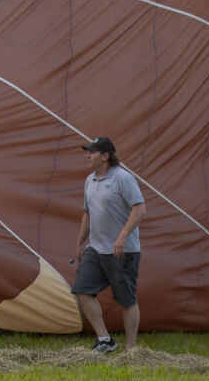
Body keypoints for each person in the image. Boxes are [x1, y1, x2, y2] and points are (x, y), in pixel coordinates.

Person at [67, 136, 146, 354]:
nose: (88, 156)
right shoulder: (89, 180)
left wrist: (122, 236)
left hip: (123, 251)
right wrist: (80, 242)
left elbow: (139, 209)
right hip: (96, 249)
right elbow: (87, 213)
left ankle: (131, 349)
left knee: (127, 300)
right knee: (82, 290)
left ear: (105, 156)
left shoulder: (123, 178)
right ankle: (105, 339)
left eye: (92, 152)